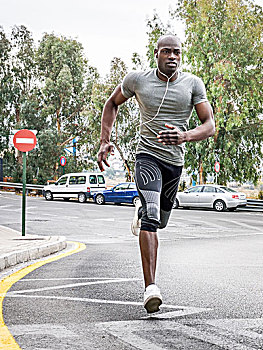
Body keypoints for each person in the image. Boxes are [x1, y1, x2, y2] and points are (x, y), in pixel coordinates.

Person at [97, 34, 215, 313]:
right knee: (151, 217)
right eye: (166, 52)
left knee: (159, 221)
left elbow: (209, 124)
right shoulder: (137, 80)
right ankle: (151, 288)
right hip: (147, 156)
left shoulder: (192, 84)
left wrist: (184, 136)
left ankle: (142, 208)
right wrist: (105, 139)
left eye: (176, 52)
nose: (172, 57)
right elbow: (111, 103)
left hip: (174, 163)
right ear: (156, 54)